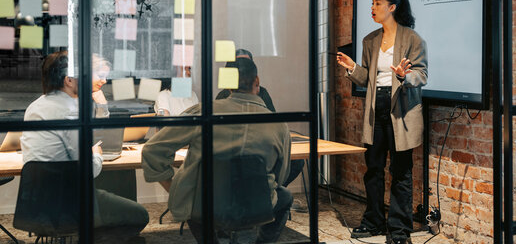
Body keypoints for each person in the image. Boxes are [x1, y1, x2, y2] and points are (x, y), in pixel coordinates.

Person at [142, 58, 292, 243]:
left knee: (195, 200)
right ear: (257, 81)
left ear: (228, 85)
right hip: (255, 205)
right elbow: (281, 176)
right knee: (285, 197)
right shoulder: (279, 125)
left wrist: (174, 189)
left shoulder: (203, 112)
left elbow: (152, 150)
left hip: (202, 206)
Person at [21, 51, 149, 242]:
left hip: (36, 201)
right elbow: (88, 170)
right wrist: (96, 154)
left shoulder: (36, 106)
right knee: (140, 216)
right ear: (69, 80)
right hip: (69, 201)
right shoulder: (70, 110)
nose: (103, 80)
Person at [336, 0, 427, 244]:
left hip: (401, 110)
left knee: (401, 172)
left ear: (392, 7)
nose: (372, 8)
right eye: (372, 3)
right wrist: (353, 68)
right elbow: (368, 79)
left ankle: (399, 231)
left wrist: (403, 75)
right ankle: (374, 221)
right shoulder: (370, 40)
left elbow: (422, 75)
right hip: (376, 109)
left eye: (378, 3)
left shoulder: (412, 38)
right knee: (373, 169)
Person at [215, 49, 305, 210]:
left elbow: (272, 120)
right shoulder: (222, 97)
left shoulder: (262, 92)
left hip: (260, 152)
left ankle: (266, 192)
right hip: (233, 158)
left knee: (296, 161)